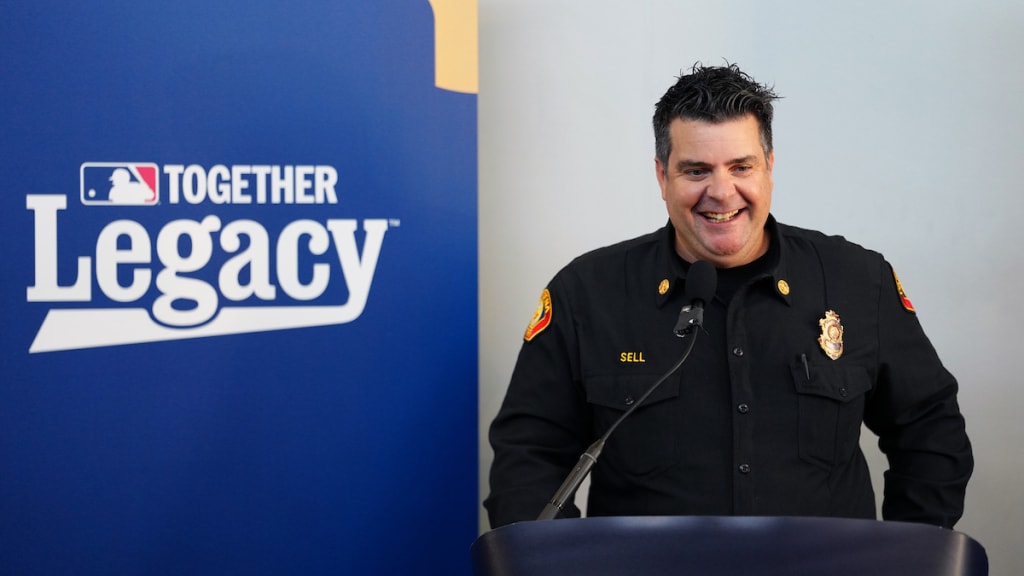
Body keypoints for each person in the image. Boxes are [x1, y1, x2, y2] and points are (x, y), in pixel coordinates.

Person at [484, 63, 973, 529]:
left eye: (741, 166)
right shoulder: (586, 294)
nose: (722, 192)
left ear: (769, 167)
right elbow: (528, 457)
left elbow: (931, 428)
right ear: (662, 176)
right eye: (696, 171)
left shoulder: (857, 281)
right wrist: (562, 563)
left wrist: (907, 554)